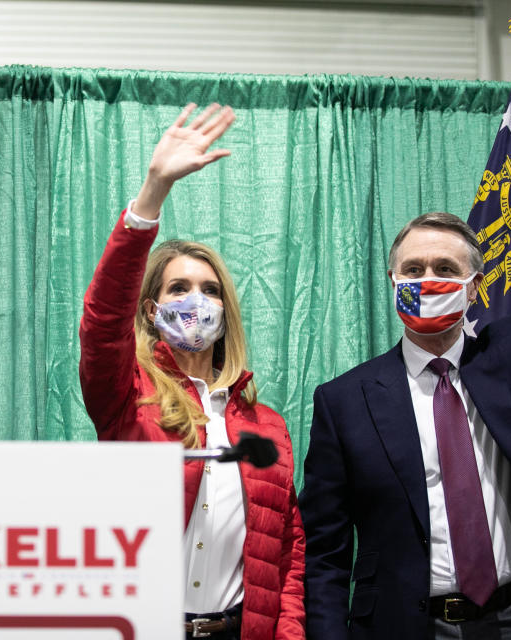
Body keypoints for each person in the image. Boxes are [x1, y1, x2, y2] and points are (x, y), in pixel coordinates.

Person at [299, 67, 511, 639]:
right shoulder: (344, 401)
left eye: (445, 269)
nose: (427, 279)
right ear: (392, 278)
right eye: (414, 269)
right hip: (405, 628)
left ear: (474, 286)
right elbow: (325, 554)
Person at [79, 104, 305, 639]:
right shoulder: (123, 396)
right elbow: (103, 317)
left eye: (209, 290)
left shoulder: (267, 424)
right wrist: (152, 194)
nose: (196, 300)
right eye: (178, 289)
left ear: (226, 311)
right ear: (152, 312)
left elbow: (287, 553)